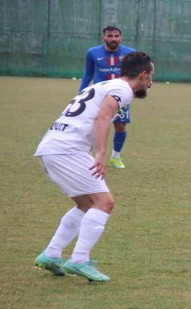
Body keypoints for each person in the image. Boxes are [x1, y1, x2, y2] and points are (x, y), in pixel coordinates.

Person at [34, 52, 154, 282]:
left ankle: (51, 254)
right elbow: (102, 117)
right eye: (151, 76)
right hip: (67, 149)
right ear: (143, 74)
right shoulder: (123, 90)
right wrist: (100, 153)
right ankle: (79, 259)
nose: (151, 82)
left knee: (86, 204)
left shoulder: (106, 84)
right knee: (104, 202)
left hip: (52, 147)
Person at [79, 26, 136, 169]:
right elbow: (88, 74)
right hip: (99, 96)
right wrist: (81, 92)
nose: (113, 39)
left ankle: (116, 157)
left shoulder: (130, 53)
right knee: (93, 125)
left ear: (121, 38)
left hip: (120, 96)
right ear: (103, 37)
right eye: (110, 36)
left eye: (116, 36)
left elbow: (136, 73)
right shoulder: (92, 52)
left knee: (121, 126)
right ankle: (87, 156)